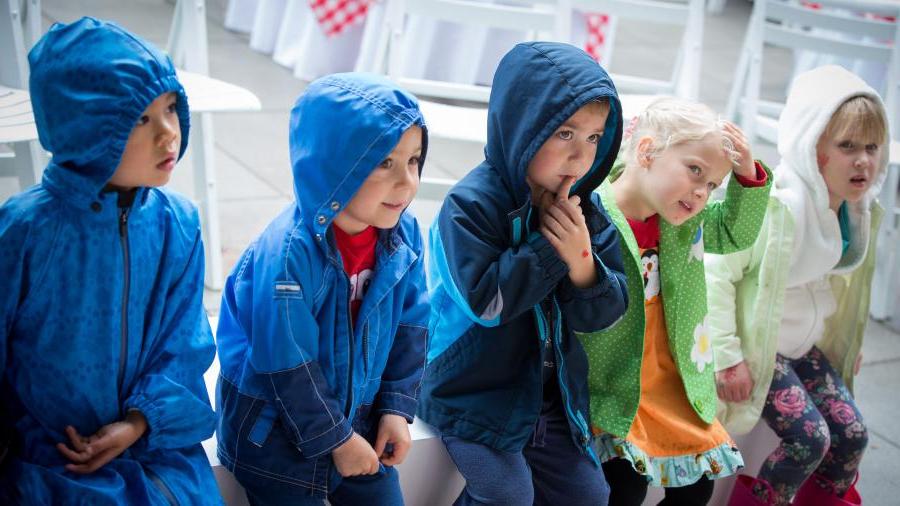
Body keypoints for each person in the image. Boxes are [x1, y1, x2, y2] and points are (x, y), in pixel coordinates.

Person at [0, 17, 221, 505]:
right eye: (141, 120)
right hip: (49, 456)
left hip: (157, 447)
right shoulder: (26, 231)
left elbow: (183, 344)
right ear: (86, 130)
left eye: (170, 109)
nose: (169, 134)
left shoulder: (177, 223)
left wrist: (140, 423)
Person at [418, 41, 629, 505]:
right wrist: (553, 249)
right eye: (565, 134)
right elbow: (488, 303)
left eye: (594, 138)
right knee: (507, 495)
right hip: (471, 392)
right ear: (523, 127)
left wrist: (582, 264)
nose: (581, 156)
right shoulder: (470, 206)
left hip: (548, 399)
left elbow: (606, 312)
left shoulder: (584, 211)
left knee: (590, 496)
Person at [214, 72, 430, 505]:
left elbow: (412, 326)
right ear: (335, 168)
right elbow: (287, 364)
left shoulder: (403, 237)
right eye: (384, 163)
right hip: (274, 437)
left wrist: (394, 408)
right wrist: (336, 440)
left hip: (359, 421)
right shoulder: (287, 254)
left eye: (413, 160)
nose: (406, 182)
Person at [709, 65, 889, 506]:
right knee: (808, 439)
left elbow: (840, 289)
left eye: (871, 146)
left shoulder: (856, 210)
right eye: (847, 146)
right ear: (812, 148)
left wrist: (845, 341)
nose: (863, 159)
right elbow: (716, 271)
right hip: (761, 345)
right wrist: (726, 355)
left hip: (801, 346)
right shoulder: (778, 209)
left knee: (853, 435)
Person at [584, 97, 771, 506]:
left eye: (711, 185)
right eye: (695, 171)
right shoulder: (593, 212)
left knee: (698, 486)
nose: (701, 192)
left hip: (669, 379)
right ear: (647, 151)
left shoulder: (686, 224)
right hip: (613, 382)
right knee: (625, 486)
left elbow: (737, 233)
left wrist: (747, 177)